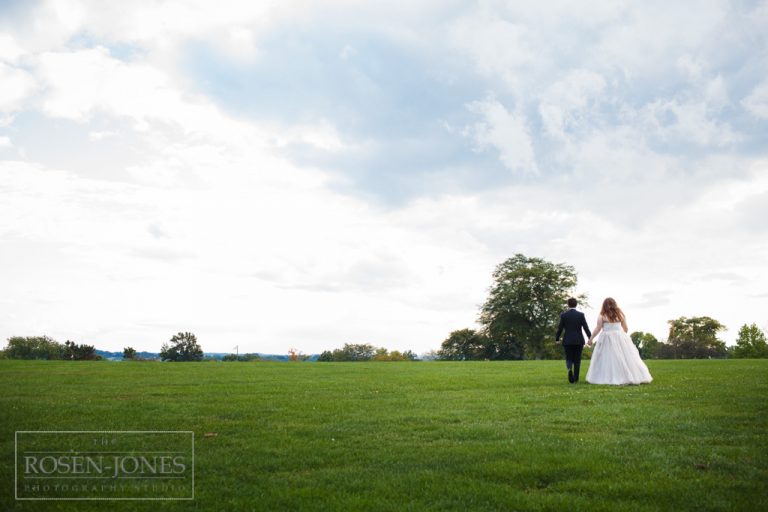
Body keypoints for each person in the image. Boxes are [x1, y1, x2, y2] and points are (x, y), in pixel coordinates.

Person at [585, 298, 653, 385]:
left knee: (607, 358)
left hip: (607, 338)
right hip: (620, 337)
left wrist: (591, 339)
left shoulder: (602, 315)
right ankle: (628, 376)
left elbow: (598, 328)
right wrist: (622, 336)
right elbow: (626, 328)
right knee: (625, 358)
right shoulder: (621, 315)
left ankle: (609, 377)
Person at [555, 297, 591, 384]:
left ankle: (569, 369)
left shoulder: (564, 315)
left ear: (568, 305)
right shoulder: (581, 315)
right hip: (578, 340)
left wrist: (557, 339)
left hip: (567, 340)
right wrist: (590, 337)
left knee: (569, 357)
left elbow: (560, 328)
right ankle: (575, 378)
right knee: (577, 359)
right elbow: (586, 327)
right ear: (576, 304)